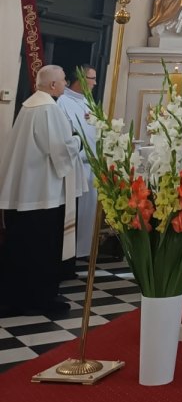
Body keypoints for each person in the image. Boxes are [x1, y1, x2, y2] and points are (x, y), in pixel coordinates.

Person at [0, 65, 84, 316]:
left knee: (20, 248)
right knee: (41, 250)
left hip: (24, 193)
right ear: (53, 85)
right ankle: (39, 300)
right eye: (63, 80)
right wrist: (78, 140)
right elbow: (60, 150)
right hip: (43, 195)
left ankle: (14, 298)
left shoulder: (28, 106)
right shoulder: (49, 109)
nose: (66, 83)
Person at [57, 64, 98, 261]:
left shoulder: (89, 102)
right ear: (81, 79)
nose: (95, 83)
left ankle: (84, 251)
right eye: (92, 78)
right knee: (75, 213)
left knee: (89, 213)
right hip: (76, 165)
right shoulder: (62, 102)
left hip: (92, 165)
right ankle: (70, 254)